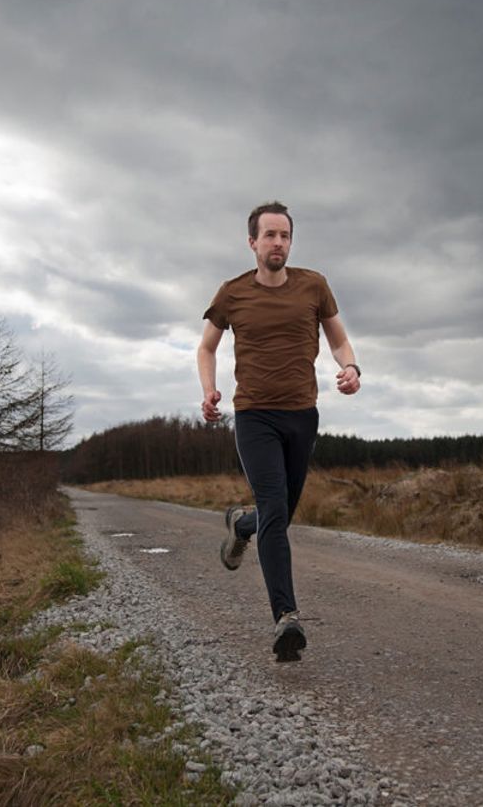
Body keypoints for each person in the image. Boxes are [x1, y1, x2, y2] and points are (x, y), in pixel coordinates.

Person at [197, 201, 361, 662]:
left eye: (284, 236)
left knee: (279, 515)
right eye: (269, 235)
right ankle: (285, 617)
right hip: (254, 416)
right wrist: (209, 391)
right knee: (274, 507)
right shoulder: (232, 293)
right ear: (252, 243)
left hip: (301, 415)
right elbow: (206, 348)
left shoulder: (314, 285)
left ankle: (240, 524)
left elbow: (338, 338)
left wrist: (350, 367)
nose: (278, 243)